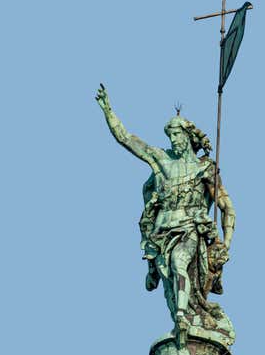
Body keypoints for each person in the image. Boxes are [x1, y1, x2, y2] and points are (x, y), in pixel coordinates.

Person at [96, 84, 236, 341]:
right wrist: (108, 111)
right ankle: (181, 314)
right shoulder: (162, 161)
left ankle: (182, 317)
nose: (173, 140)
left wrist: (225, 242)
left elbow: (227, 207)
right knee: (171, 286)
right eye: (170, 136)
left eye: (177, 135)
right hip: (161, 233)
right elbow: (127, 139)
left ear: (189, 136)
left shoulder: (204, 168)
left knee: (179, 263)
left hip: (190, 229)